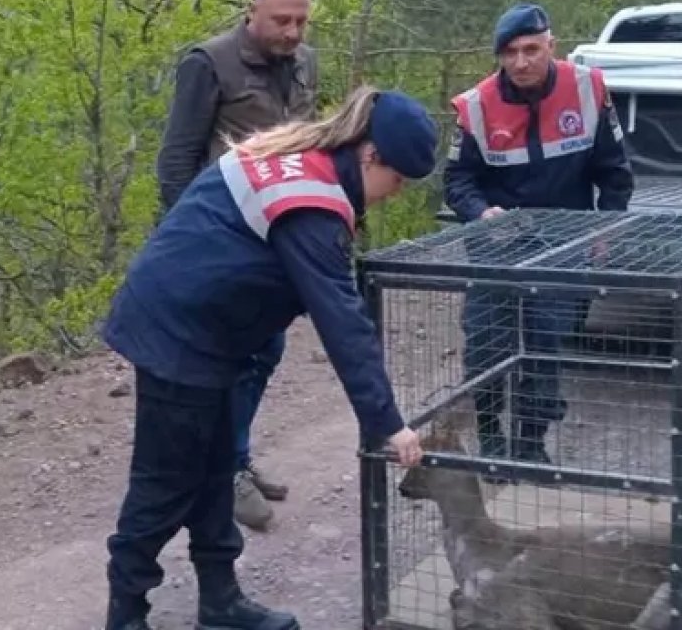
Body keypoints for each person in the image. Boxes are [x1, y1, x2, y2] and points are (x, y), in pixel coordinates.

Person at [100, 85, 434, 630]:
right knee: (166, 482)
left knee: (217, 470)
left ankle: (220, 601)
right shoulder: (315, 202)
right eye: (396, 182)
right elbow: (341, 322)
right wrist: (387, 424)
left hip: (216, 335)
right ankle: (126, 612)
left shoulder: (305, 159)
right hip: (177, 333)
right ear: (370, 155)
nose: (392, 195)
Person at [443, 2, 634, 468]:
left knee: (545, 345)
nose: (522, 61)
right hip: (496, 243)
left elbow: (614, 172)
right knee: (487, 345)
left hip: (564, 242)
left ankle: (531, 445)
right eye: (510, 52)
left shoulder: (586, 89)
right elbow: (456, 181)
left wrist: (604, 226)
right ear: (499, 56)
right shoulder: (476, 106)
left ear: (552, 45)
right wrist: (480, 212)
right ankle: (490, 439)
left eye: (532, 49)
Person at [154, 0, 318, 531]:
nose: (292, 32)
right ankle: (222, 473)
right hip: (222, 241)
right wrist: (191, 245)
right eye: (281, 20)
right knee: (227, 362)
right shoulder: (209, 64)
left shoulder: (304, 63)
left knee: (264, 354)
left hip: (276, 240)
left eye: (301, 20)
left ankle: (235, 456)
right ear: (253, 7)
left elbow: (307, 146)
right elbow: (177, 158)